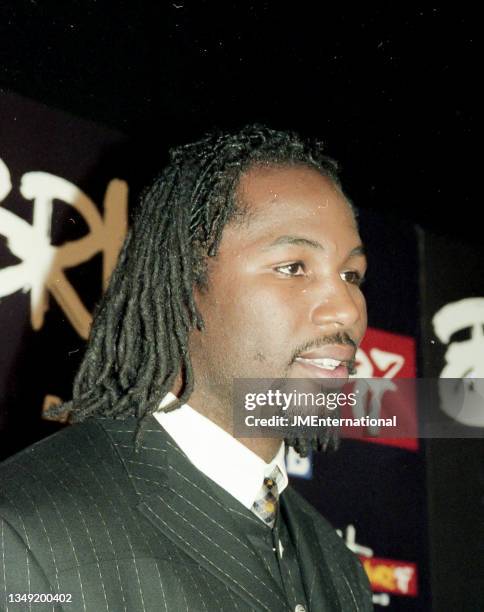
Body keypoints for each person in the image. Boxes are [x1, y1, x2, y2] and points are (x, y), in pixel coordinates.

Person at [0, 125, 372, 611]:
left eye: (352, 275)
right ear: (181, 282)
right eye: (293, 267)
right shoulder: (27, 528)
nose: (346, 309)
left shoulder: (336, 566)